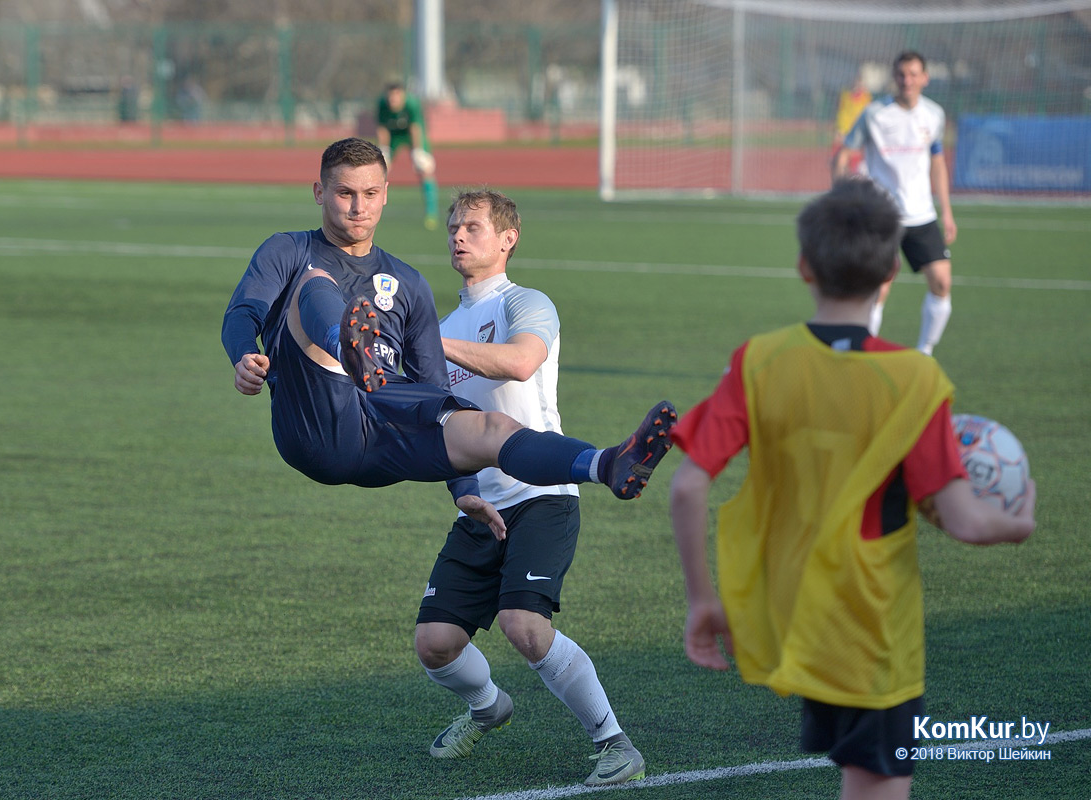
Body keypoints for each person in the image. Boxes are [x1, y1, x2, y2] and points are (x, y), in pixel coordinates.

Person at [668, 178, 1036, 800]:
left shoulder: (760, 360)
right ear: (895, 269)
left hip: (790, 610)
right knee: (878, 783)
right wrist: (1018, 520)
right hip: (869, 625)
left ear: (804, 265)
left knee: (859, 777)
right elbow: (968, 520)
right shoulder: (914, 379)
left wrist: (703, 599)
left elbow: (685, 487)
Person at [222, 138, 676, 540]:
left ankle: (605, 464)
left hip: (381, 429)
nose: (358, 207)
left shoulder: (408, 283)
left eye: (370, 194)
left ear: (385, 197)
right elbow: (243, 311)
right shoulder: (288, 249)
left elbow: (433, 387)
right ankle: (348, 346)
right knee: (313, 282)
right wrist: (245, 354)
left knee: (487, 426)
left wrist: (464, 488)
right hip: (316, 424)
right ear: (320, 193)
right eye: (344, 194)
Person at [414, 189, 645, 787]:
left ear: (508, 238)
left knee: (524, 626)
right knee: (434, 644)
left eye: (473, 227)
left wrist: (427, 347)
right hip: (480, 505)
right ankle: (488, 707)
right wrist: (460, 486)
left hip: (542, 496)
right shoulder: (442, 325)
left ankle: (615, 743)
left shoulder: (527, 303)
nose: (459, 237)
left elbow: (520, 362)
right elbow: (441, 423)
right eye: (454, 228)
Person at [831, 51, 956, 356]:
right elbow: (843, 156)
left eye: (913, 74)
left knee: (941, 282)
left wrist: (947, 212)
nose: (907, 81)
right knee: (878, 289)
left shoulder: (934, 114)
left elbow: (937, 163)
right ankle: (862, 352)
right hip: (883, 216)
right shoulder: (875, 113)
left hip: (922, 215)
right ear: (894, 78)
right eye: (901, 74)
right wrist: (841, 198)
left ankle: (925, 351)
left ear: (924, 78)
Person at [376, 81, 440, 229]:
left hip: (411, 136)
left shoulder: (412, 104)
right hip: (393, 136)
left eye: (396, 98)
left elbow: (415, 128)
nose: (393, 101)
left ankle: (431, 213)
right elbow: (382, 127)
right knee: (380, 169)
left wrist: (418, 151)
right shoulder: (381, 104)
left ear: (403, 96)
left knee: (425, 168)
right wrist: (384, 149)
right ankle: (373, 211)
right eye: (391, 98)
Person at [832, 70, 871, 174]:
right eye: (855, 82)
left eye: (859, 83)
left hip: (857, 128)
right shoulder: (845, 94)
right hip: (844, 127)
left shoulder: (865, 97)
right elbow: (838, 107)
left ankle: (853, 172)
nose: (857, 85)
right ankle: (839, 171)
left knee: (854, 153)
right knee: (840, 151)